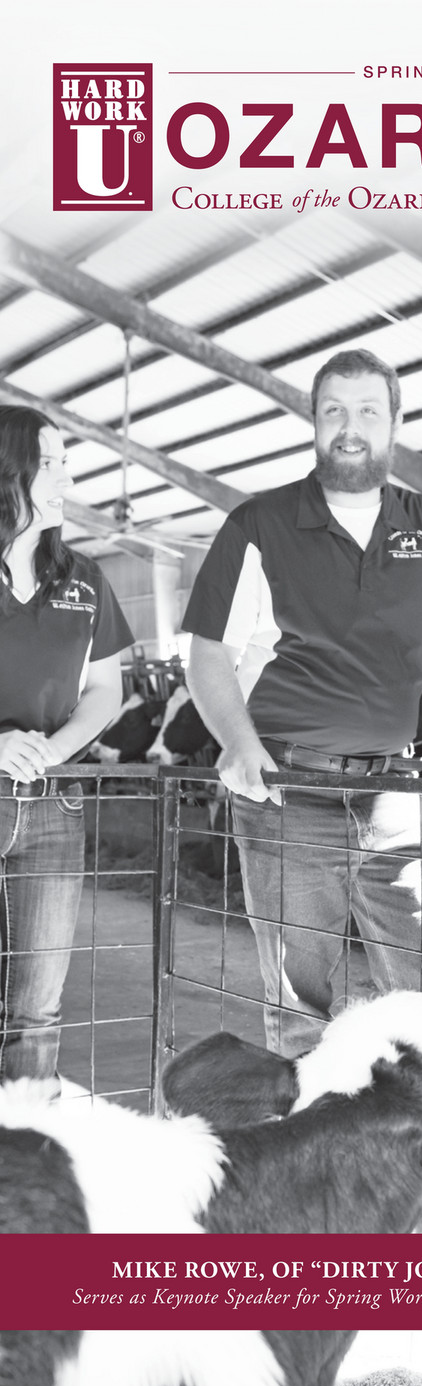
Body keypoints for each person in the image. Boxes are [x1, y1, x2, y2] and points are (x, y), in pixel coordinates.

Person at [183, 347, 422, 1054]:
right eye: (333, 411)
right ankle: (314, 1155)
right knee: (301, 1010)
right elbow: (206, 653)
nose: (350, 427)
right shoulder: (258, 525)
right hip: (287, 791)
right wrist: (240, 742)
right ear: (313, 423)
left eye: (368, 411)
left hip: (391, 789)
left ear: (394, 423)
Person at [0, 405, 132, 1082]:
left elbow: (106, 691)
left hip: (53, 805)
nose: (65, 475)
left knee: (36, 1006)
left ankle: (19, 1169)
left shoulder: (83, 577)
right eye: (49, 461)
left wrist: (58, 748)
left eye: (65, 461)